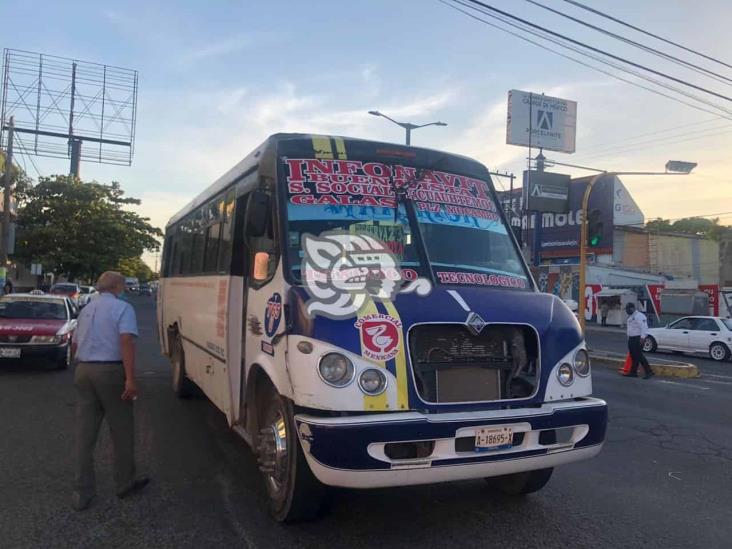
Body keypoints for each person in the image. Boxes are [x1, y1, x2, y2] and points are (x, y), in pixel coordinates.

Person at [70, 271, 149, 511]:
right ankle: (124, 483)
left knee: (85, 433)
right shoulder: (122, 309)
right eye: (123, 284)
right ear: (117, 286)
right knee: (122, 429)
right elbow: (126, 341)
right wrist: (130, 379)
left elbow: (74, 343)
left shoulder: (86, 310)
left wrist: (81, 365)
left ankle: (82, 492)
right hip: (110, 372)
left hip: (83, 370)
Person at [623, 302, 654, 379]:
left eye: (628, 309)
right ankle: (633, 372)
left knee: (639, 356)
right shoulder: (631, 317)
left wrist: (643, 338)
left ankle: (649, 371)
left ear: (632, 308)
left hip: (638, 338)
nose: (627, 311)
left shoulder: (639, 316)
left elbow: (644, 327)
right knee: (634, 356)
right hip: (632, 338)